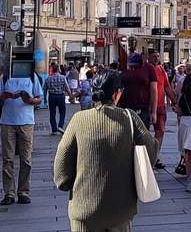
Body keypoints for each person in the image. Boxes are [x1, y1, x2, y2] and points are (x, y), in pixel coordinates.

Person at [54, 69, 158, 231]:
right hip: (121, 210)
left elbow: (62, 169)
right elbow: (151, 150)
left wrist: (67, 183)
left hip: (84, 210)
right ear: (117, 93)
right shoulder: (129, 118)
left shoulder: (78, 120)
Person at [0, 69, 43, 205]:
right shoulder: (5, 76)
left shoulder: (31, 76)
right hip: (7, 122)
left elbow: (39, 98)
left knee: (26, 159)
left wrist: (29, 100)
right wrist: (2, 98)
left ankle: (23, 192)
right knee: (7, 159)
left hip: (26, 122)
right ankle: (9, 193)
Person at [148, 52, 176, 169]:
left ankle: (155, 156)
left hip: (160, 106)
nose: (157, 58)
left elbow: (167, 86)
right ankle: (148, 156)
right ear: (148, 57)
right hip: (146, 106)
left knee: (160, 131)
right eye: (154, 56)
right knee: (144, 132)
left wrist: (174, 102)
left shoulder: (161, 69)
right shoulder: (146, 69)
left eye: (158, 56)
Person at [120, 53, 158, 130]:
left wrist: (153, 112)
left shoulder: (149, 68)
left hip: (142, 110)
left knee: (141, 138)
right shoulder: (124, 69)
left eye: (135, 66)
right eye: (131, 66)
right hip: (125, 109)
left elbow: (154, 90)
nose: (133, 68)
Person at [44, 63, 72, 135]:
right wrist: (70, 96)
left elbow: (45, 89)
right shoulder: (63, 77)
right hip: (61, 96)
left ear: (52, 70)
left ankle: (54, 130)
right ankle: (60, 126)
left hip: (52, 97)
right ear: (58, 69)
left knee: (52, 114)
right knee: (62, 112)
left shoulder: (48, 78)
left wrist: (44, 99)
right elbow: (67, 88)